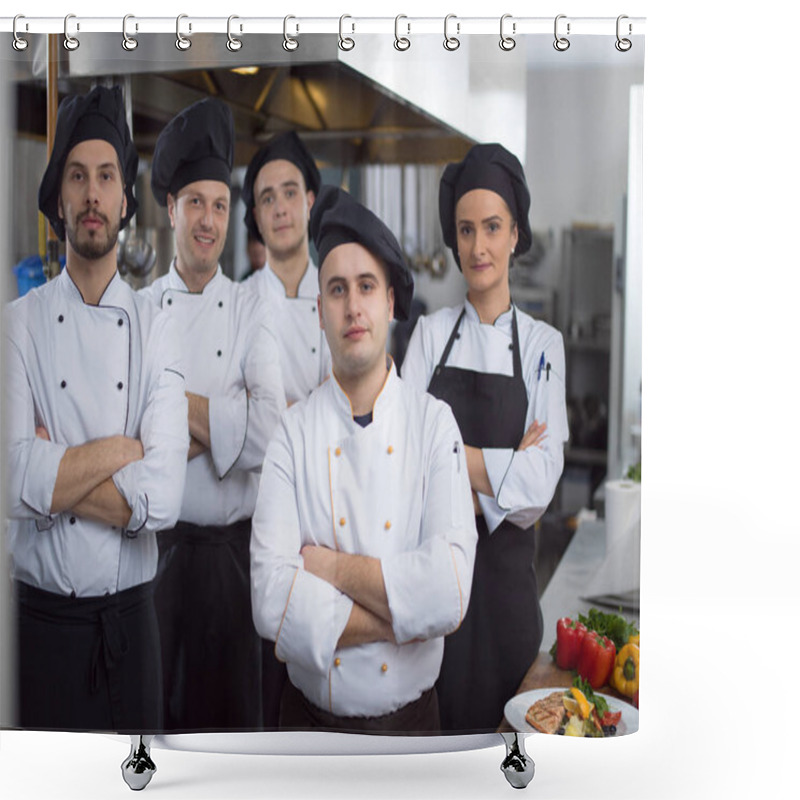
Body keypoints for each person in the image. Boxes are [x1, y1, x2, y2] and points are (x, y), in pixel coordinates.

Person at [250, 186, 477, 734]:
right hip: (308, 729)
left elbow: (449, 590)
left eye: (367, 287)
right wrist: (405, 617)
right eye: (336, 290)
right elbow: (270, 601)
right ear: (319, 314)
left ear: (391, 303)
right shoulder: (292, 433)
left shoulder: (434, 424)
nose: (353, 306)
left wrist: (328, 569)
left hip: (412, 729)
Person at [3, 85, 189, 733]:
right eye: (76, 177)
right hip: (37, 626)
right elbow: (9, 480)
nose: (91, 194)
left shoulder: (156, 325)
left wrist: (49, 479)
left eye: (106, 177)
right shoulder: (17, 326)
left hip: (131, 626)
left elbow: (164, 498)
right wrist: (122, 451)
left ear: (124, 199)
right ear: (59, 197)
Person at [401, 143, 570, 733]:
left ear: (516, 235)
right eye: (466, 230)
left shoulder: (545, 347)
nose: (478, 247)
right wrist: (502, 467)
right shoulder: (428, 334)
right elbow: (401, 465)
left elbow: (539, 489)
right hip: (433, 603)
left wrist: (447, 463)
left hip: (506, 606)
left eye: (492, 228)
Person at [140, 98, 285, 731]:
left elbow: (271, 430)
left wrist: (167, 419)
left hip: (233, 562)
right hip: (156, 559)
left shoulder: (254, 308)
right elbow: (128, 442)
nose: (208, 220)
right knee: (159, 729)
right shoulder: (139, 311)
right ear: (169, 209)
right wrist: (224, 417)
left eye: (220, 205)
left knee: (232, 733)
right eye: (195, 202)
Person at [241, 132, 331, 406]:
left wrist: (264, 407)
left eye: (290, 193)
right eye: (268, 198)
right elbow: (231, 408)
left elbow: (352, 394)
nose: (279, 209)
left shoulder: (338, 294)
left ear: (310, 202)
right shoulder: (239, 303)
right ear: (256, 216)